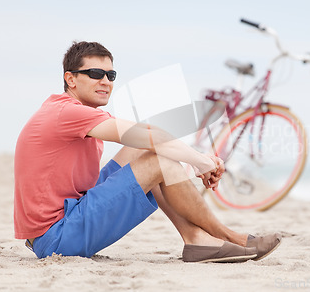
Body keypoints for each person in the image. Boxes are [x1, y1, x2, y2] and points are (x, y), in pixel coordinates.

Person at [14, 41, 281, 263]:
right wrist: (202, 162)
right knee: (158, 158)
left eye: (111, 75)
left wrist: (199, 161)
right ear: (70, 79)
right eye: (96, 74)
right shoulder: (68, 112)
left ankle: (196, 240)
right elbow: (150, 135)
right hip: (57, 236)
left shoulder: (65, 110)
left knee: (138, 150)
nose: (105, 81)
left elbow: (144, 138)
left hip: (63, 221)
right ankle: (229, 236)